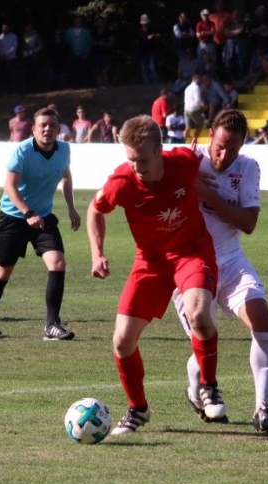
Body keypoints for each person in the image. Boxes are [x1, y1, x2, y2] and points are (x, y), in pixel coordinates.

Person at [86, 114, 226, 435]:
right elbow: (95, 209)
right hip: (149, 262)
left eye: (144, 159)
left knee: (200, 315)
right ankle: (138, 409)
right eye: (131, 159)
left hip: (191, 253)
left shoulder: (184, 161)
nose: (137, 167)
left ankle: (209, 385)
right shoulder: (121, 182)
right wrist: (97, 253)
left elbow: (206, 161)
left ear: (160, 149)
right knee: (122, 341)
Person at [172, 109, 268, 431]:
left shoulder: (248, 167)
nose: (223, 155)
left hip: (231, 259)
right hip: (189, 264)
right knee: (206, 335)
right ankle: (196, 387)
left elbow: (248, 223)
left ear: (243, 144)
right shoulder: (187, 158)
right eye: (219, 146)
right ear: (210, 135)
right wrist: (187, 178)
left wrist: (207, 193)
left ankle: (263, 407)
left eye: (231, 149)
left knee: (262, 318)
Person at [0, 107, 79, 341]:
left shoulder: (64, 149)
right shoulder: (22, 151)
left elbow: (66, 176)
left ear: (58, 128)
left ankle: (52, 326)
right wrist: (27, 213)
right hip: (14, 217)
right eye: (43, 125)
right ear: (34, 129)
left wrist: (71, 207)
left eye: (52, 125)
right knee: (4, 270)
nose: (48, 129)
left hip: (43, 217)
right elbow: (10, 187)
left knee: (57, 263)